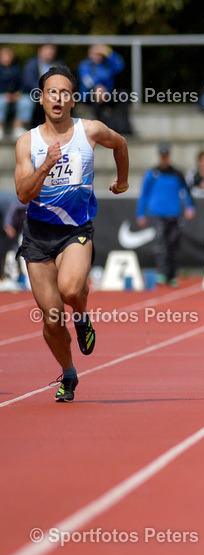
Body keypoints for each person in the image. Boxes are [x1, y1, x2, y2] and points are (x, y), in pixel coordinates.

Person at [13, 64, 130, 402]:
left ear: (74, 99)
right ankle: (69, 374)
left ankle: (82, 318)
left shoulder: (89, 130)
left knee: (70, 290)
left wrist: (122, 181)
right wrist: (47, 165)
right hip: (37, 235)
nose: (59, 99)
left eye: (65, 93)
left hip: (75, 228)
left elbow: (120, 143)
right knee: (51, 319)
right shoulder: (27, 142)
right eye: (53, 93)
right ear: (41, 98)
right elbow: (23, 194)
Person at [136, 142, 194, 286]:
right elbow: (144, 193)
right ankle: (162, 273)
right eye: (162, 155)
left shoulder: (177, 173)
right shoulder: (152, 173)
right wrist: (140, 213)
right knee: (161, 244)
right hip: (158, 214)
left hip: (174, 214)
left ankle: (172, 274)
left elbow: (187, 192)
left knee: (173, 245)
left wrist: (190, 206)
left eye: (166, 155)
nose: (164, 158)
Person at [77, 44, 131, 135]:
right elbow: (87, 81)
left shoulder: (107, 65)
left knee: (123, 94)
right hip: (90, 95)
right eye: (96, 54)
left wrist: (109, 52)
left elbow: (120, 65)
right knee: (97, 95)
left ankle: (124, 128)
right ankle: (101, 129)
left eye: (100, 54)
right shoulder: (85, 65)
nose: (98, 57)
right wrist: (97, 87)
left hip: (106, 94)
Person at [16, 45, 62, 136]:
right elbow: (29, 81)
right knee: (26, 102)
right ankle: (22, 127)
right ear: (40, 51)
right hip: (33, 93)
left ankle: (59, 128)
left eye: (52, 50)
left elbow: (63, 80)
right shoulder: (31, 64)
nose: (50, 53)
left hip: (54, 94)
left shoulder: (59, 64)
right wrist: (44, 91)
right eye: (47, 50)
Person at [1, 47, 22, 140]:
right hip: (2, 95)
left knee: (26, 101)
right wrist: (4, 94)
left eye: (8, 56)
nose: (6, 58)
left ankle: (18, 127)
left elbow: (22, 84)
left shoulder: (17, 69)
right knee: (1, 101)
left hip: (15, 96)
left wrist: (18, 93)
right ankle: (0, 127)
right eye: (4, 56)